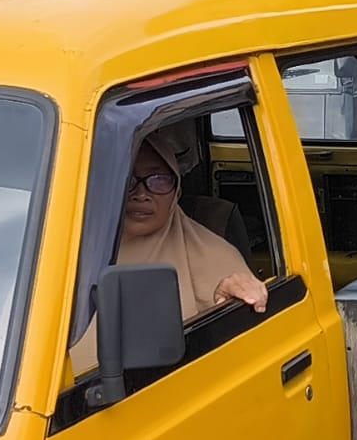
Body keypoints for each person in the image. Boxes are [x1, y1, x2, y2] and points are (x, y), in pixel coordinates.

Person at [71, 129, 269, 370]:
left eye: (159, 180)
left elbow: (245, 355)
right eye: (127, 180)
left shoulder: (214, 255)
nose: (141, 194)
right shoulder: (65, 249)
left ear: (177, 190)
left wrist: (234, 303)